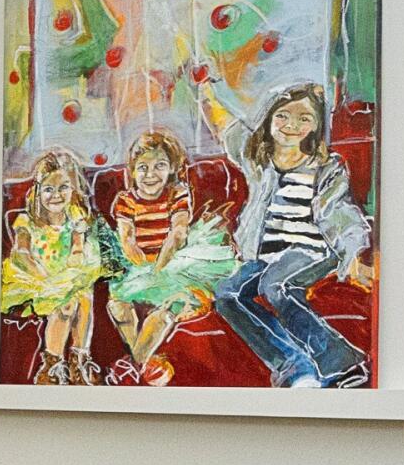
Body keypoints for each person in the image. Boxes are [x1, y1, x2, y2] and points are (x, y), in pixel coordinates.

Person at [215, 84, 375, 387]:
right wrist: (212, 87)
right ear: (268, 118)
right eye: (283, 115)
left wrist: (354, 253)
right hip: (266, 256)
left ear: (316, 125)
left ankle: (343, 364)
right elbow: (230, 128)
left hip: (312, 251)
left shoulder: (327, 167)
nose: (292, 126)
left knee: (278, 285)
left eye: (305, 118)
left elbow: (342, 213)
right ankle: (295, 365)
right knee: (227, 293)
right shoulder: (259, 162)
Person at [103, 129, 237, 385]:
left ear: (172, 169)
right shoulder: (125, 200)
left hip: (175, 262)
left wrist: (159, 272)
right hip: (138, 264)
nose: (150, 175)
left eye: (159, 166)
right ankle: (145, 364)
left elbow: (177, 234)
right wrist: (144, 270)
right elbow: (127, 239)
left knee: (164, 312)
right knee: (117, 306)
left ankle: (133, 365)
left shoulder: (178, 193)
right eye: (142, 167)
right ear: (132, 171)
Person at [0, 148, 106, 385]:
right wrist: (46, 278)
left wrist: (76, 258)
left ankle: (79, 358)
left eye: (63, 188)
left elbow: (79, 247)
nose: (56, 195)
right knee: (67, 304)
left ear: (73, 189)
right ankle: (53, 363)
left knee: (84, 294)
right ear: (38, 192)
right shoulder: (26, 221)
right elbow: (22, 254)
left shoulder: (75, 215)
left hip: (66, 274)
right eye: (48, 189)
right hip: (35, 277)